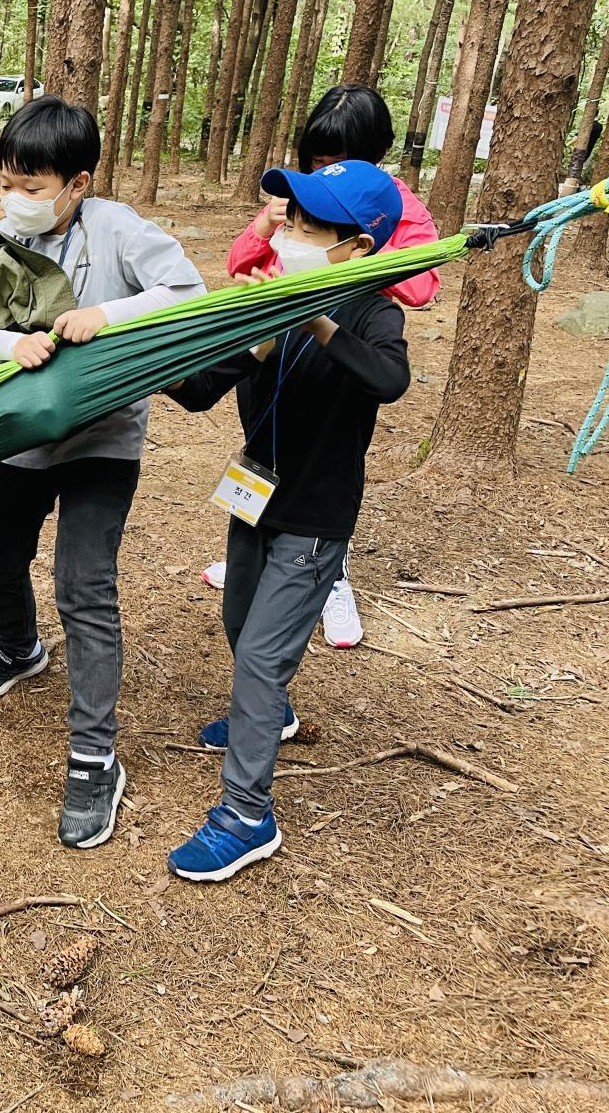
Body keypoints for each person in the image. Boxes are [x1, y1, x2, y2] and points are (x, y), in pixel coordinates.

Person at [0, 95, 205, 849]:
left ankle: (95, 757)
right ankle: (19, 648)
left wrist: (108, 316)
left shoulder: (119, 229)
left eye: (32, 186)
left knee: (84, 587)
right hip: (26, 434)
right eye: (7, 182)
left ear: (78, 183)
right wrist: (11, 347)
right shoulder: (7, 240)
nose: (15, 199)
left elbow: (188, 291)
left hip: (104, 438)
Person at [164, 160, 411, 881]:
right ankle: (272, 716)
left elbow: (390, 380)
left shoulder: (373, 311)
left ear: (355, 247)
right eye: (288, 218)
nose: (286, 234)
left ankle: (246, 815)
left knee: (261, 659)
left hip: (314, 520)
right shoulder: (272, 297)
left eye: (308, 226)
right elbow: (200, 391)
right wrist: (141, 350)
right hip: (255, 501)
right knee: (239, 624)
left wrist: (318, 322)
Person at [210, 84, 440, 650]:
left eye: (338, 159)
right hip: (275, 352)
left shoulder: (393, 205)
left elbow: (421, 285)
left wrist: (342, 266)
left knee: (319, 476)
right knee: (267, 445)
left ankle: (329, 577)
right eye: (316, 159)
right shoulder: (301, 197)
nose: (323, 171)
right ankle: (258, 560)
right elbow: (241, 262)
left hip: (331, 357)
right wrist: (271, 228)